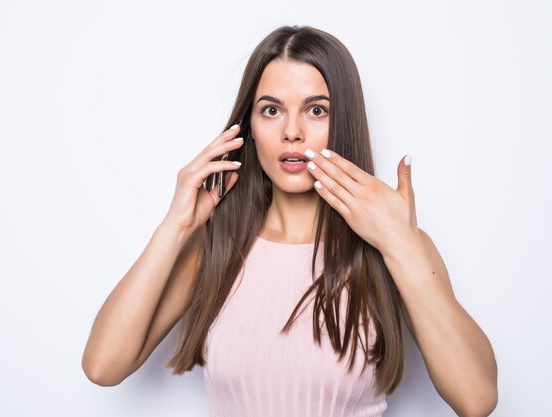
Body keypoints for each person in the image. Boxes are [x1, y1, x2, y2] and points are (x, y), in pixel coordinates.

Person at [82, 25, 498, 417]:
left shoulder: (396, 245)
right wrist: (173, 228)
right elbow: (103, 366)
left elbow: (476, 399)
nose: (292, 132)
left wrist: (401, 246)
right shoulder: (215, 246)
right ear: (248, 128)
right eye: (271, 110)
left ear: (343, 123)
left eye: (316, 110)